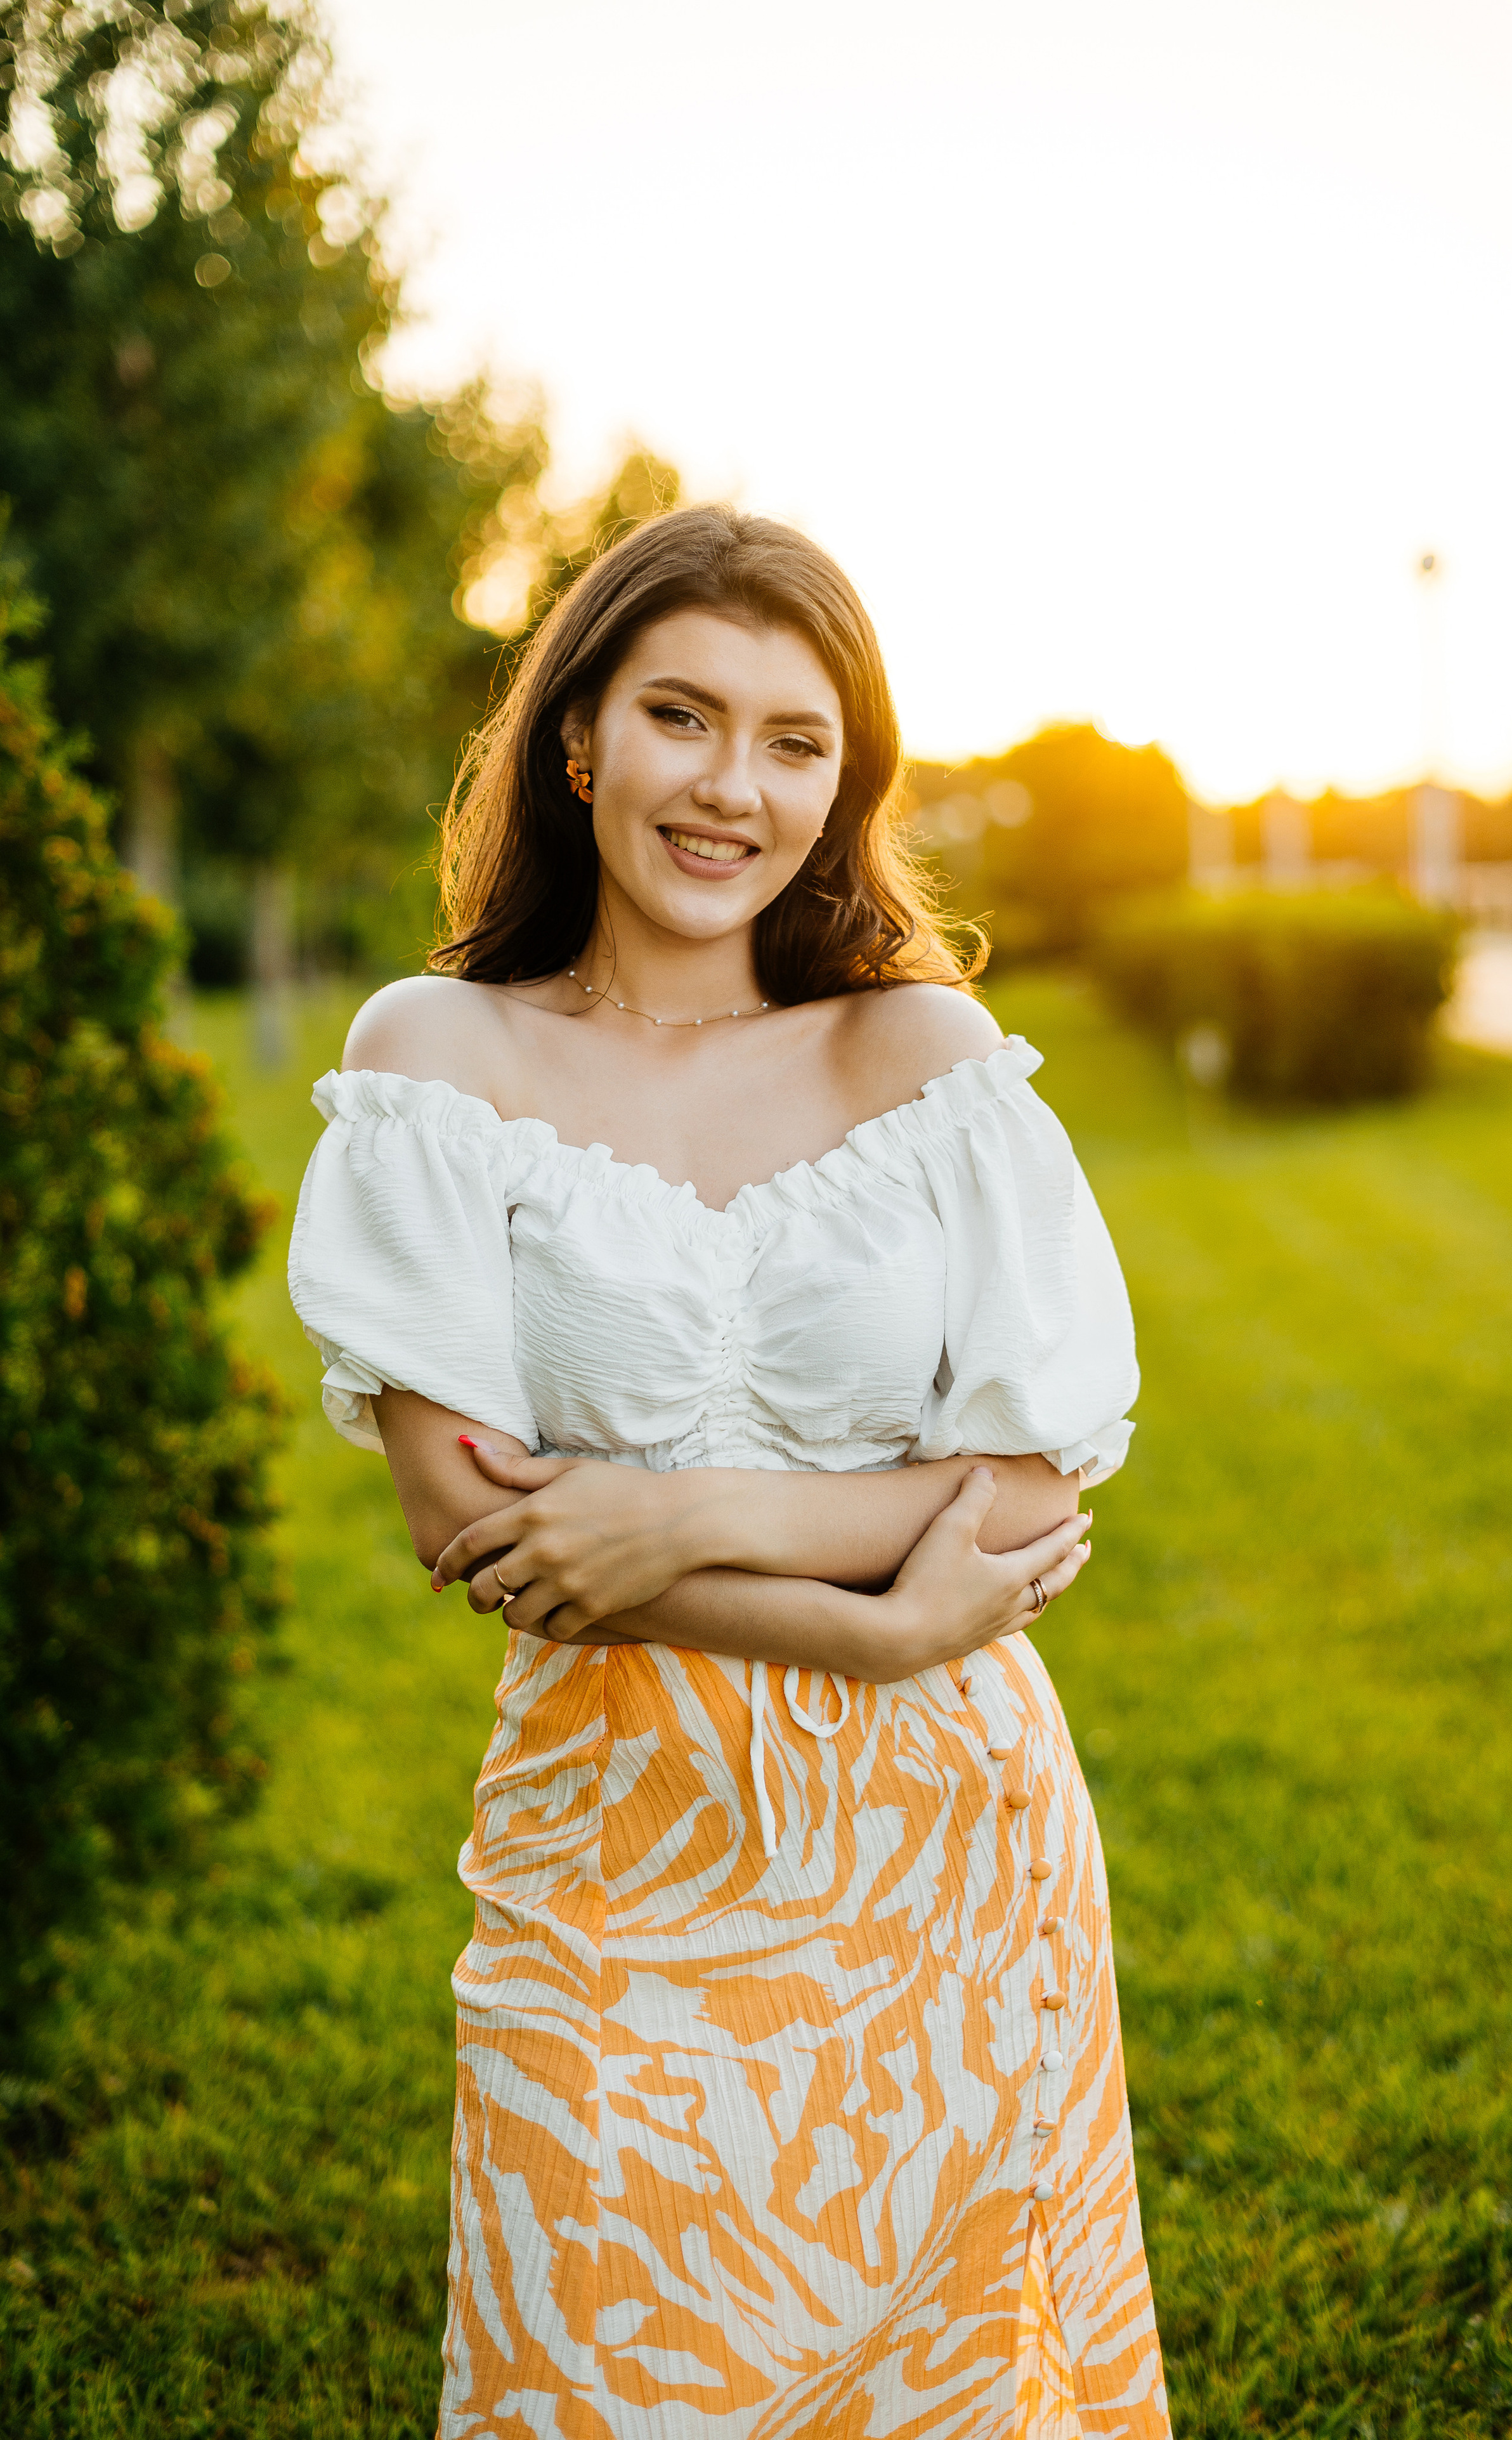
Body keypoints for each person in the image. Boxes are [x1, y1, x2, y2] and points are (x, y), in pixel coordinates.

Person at [288, 505, 1170, 2439]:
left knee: (955, 2391)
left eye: (796, 744)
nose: (733, 789)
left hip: (950, 1844)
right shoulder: (436, 1057)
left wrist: (679, 1515)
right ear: (579, 736)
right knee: (596, 2365)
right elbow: (478, 1524)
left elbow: (1023, 1492)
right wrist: (866, 1626)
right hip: (616, 1839)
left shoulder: (923, 1059)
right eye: (683, 717)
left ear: (846, 786)